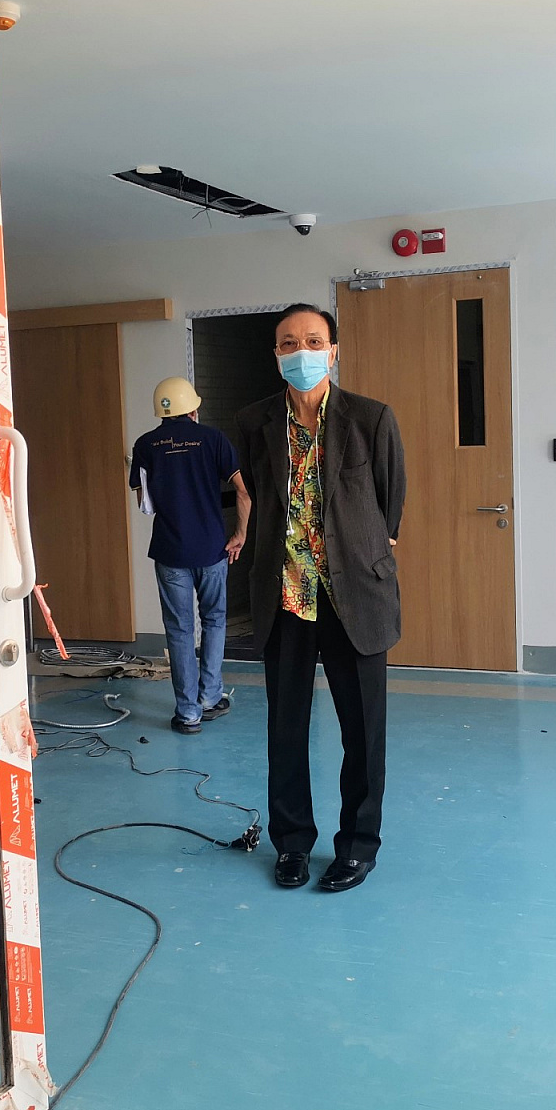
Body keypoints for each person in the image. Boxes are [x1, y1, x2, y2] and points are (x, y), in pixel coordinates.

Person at [236, 304, 405, 893]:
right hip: (286, 596)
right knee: (286, 730)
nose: (301, 351)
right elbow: (261, 496)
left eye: (313, 341)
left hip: (354, 595)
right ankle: (291, 843)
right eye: (288, 343)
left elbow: (389, 503)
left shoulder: (371, 418)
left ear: (332, 351)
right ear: (276, 354)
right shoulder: (254, 421)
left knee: (363, 732)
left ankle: (358, 846)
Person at [131, 377, 252, 734]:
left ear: (161, 412)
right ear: (194, 410)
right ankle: (210, 698)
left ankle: (188, 714)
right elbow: (244, 492)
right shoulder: (213, 439)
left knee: (179, 629)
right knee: (214, 620)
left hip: (170, 551)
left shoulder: (145, 445)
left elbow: (144, 504)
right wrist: (240, 535)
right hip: (212, 549)